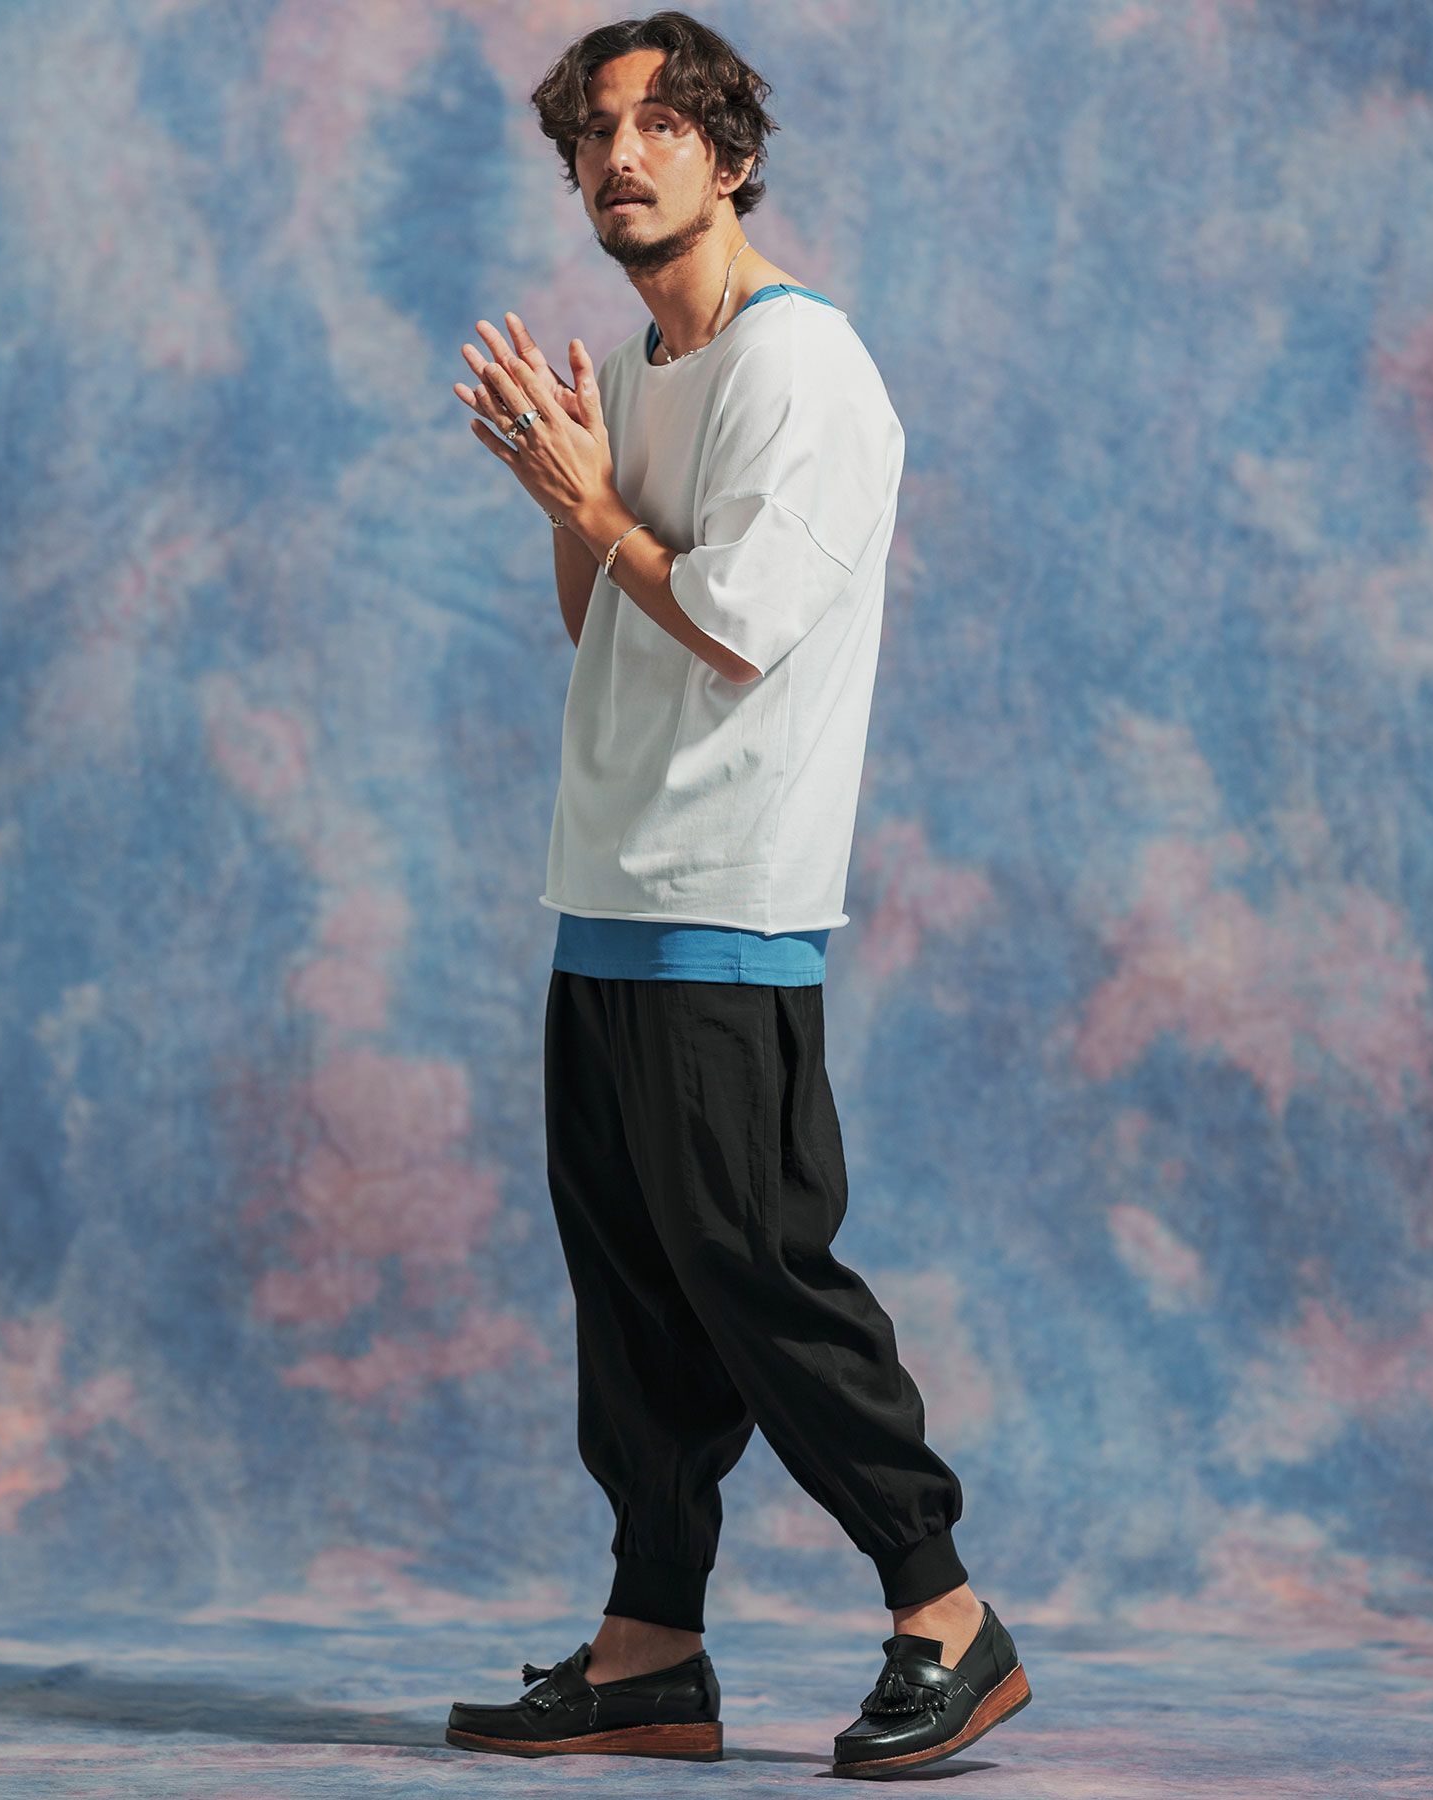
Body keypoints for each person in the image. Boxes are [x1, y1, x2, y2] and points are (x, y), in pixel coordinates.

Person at [444, 9, 1031, 1776]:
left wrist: (599, 505)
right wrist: (568, 489)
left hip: (730, 900)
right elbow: (606, 621)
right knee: (633, 1291)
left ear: (733, 155)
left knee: (753, 1267)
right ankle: (650, 1653)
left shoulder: (806, 368)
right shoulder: (640, 367)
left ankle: (947, 1612)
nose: (618, 158)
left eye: (656, 126)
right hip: (608, 888)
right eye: (592, 135)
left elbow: (739, 629)